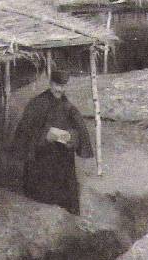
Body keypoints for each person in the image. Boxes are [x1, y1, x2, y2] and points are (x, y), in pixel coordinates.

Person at [12, 70, 93, 215]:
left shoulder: (68, 106)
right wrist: (44, 136)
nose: (60, 89)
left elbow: (79, 131)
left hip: (63, 160)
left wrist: (70, 136)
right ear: (50, 84)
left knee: (65, 201)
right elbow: (24, 133)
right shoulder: (36, 104)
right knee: (42, 203)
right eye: (57, 85)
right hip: (41, 160)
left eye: (63, 86)